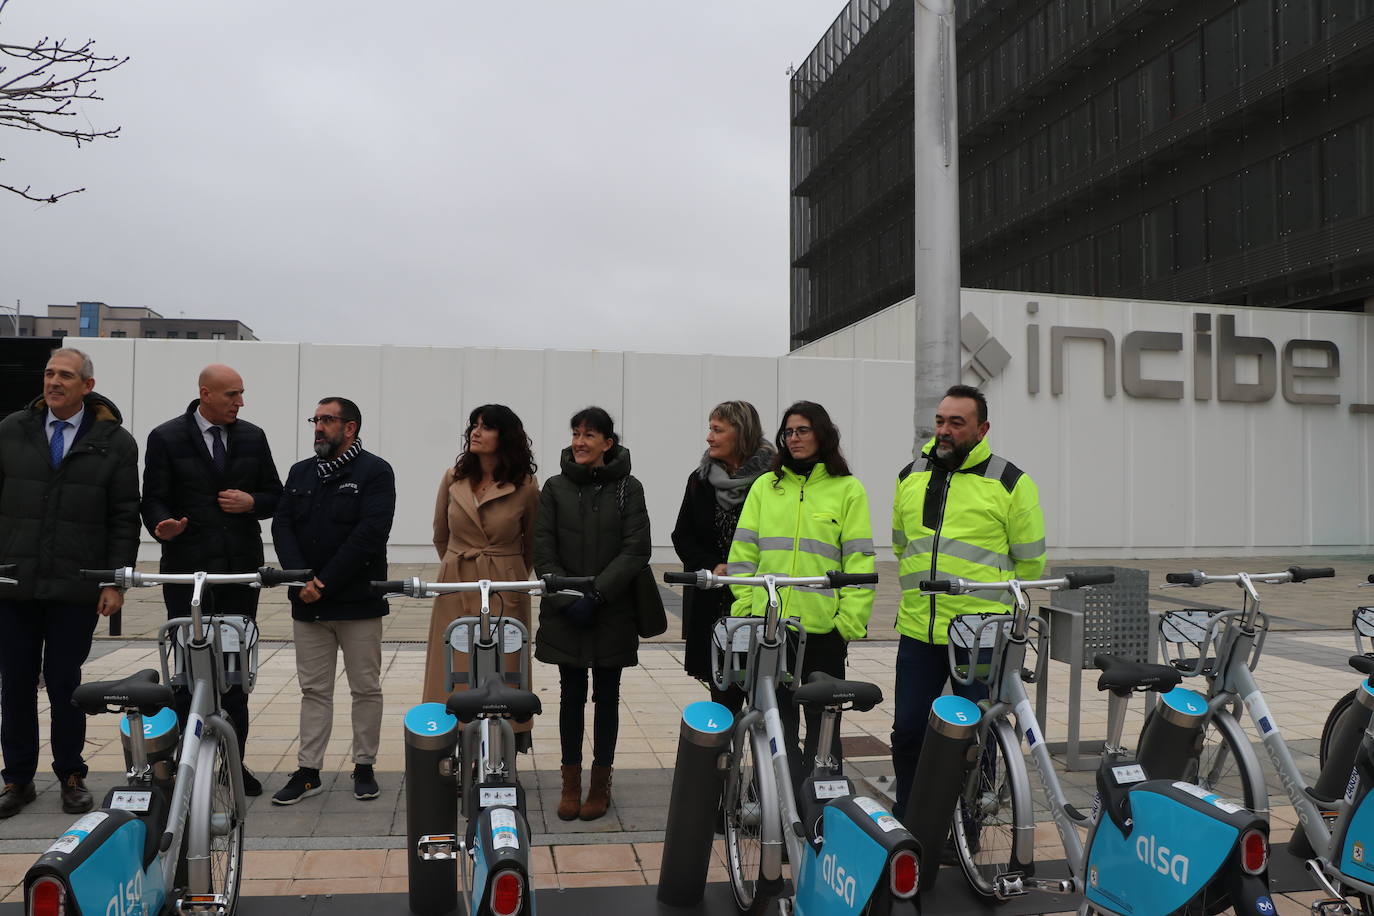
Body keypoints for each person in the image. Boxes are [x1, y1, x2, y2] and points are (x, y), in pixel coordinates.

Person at [889, 384, 1045, 822]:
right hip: (919, 630)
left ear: (982, 428)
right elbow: (902, 546)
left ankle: (973, 823)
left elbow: (1030, 564)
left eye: (957, 422)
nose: (944, 430)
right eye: (940, 421)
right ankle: (909, 820)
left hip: (979, 635)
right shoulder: (909, 476)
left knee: (981, 736)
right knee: (908, 733)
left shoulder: (1011, 482)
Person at [0, 348, 140, 818]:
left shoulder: (115, 441)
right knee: (15, 682)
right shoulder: (11, 430)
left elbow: (124, 515)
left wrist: (115, 581)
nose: (53, 382)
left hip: (77, 584)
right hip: (14, 581)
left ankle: (71, 774)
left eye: (65, 375)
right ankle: (18, 779)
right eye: (48, 373)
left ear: (87, 385)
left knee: (65, 682)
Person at [140, 364, 282, 797]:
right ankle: (189, 760)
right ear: (205, 393)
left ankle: (231, 764)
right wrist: (163, 524)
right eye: (232, 395)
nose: (241, 402)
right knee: (186, 672)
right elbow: (153, 499)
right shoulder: (165, 437)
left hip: (238, 571)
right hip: (187, 572)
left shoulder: (253, 437)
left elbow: (276, 494)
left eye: (241, 394)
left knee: (234, 673)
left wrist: (252, 501)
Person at [727, 401, 875, 790]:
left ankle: (822, 816)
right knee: (779, 727)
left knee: (825, 731)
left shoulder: (848, 489)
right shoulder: (765, 486)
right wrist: (746, 609)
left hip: (823, 632)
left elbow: (859, 560)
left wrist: (847, 623)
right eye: (788, 432)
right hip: (771, 629)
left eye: (802, 430)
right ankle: (781, 811)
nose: (793, 438)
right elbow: (743, 554)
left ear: (822, 433)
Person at [271, 397, 395, 805]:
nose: (318, 427)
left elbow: (369, 534)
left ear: (351, 428)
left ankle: (364, 767)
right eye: (316, 419)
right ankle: (309, 772)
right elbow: (283, 525)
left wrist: (323, 581)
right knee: (314, 690)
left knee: (365, 688)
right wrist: (301, 578)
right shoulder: (300, 472)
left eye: (328, 420)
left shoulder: (375, 472)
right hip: (308, 603)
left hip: (357, 601)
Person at [534, 407, 652, 822]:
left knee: (606, 697)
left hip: (612, 610)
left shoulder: (629, 488)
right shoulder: (553, 487)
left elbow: (637, 549)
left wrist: (597, 595)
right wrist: (570, 598)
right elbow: (543, 550)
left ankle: (600, 784)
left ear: (608, 442)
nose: (580, 442)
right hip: (567, 612)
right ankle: (570, 783)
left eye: (590, 435)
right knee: (570, 697)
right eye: (575, 433)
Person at [423, 405, 539, 748]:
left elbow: (532, 543)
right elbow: (440, 535)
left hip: (504, 584)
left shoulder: (527, 486)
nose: (475, 432)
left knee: (503, 668)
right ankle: (452, 746)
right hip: (457, 581)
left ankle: (504, 752)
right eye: (473, 425)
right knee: (451, 667)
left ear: (506, 436)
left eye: (486, 427)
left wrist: (508, 569)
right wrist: (457, 566)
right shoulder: (453, 477)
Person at [671, 400, 773, 711]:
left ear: (741, 434)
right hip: (713, 600)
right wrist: (713, 566)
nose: (709, 437)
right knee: (722, 696)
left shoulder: (773, 481)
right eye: (710, 429)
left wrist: (744, 568)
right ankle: (725, 757)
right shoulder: (700, 480)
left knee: (767, 695)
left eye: (717, 430)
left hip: (758, 601)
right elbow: (682, 536)